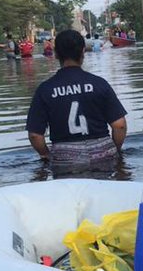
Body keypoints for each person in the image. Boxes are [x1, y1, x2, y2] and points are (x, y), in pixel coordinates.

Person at [27, 30, 127, 171]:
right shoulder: (99, 84)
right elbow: (120, 125)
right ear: (83, 51)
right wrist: (114, 150)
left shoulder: (44, 90)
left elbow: (35, 135)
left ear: (56, 54)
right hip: (103, 154)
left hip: (65, 158)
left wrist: (45, 155)